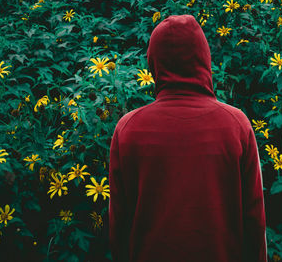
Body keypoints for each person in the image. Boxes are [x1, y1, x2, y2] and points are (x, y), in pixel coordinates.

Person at [109, 14, 267, 262]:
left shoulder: (128, 129)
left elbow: (119, 227)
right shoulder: (237, 125)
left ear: (154, 63)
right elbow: (254, 223)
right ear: (204, 58)